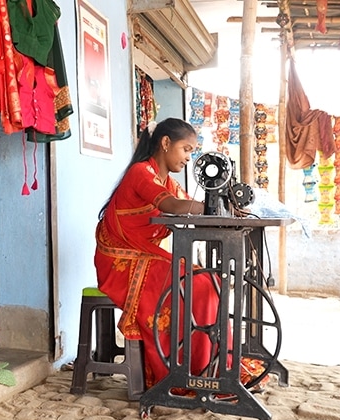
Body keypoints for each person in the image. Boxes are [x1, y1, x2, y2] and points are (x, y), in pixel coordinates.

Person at [94, 118, 264, 390]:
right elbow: (174, 205)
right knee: (200, 285)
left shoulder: (167, 181)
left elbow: (184, 202)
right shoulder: (141, 172)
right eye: (186, 149)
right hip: (121, 263)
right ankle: (188, 370)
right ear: (165, 143)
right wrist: (213, 206)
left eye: (192, 151)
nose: (189, 157)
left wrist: (220, 205)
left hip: (142, 256)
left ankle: (215, 367)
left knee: (209, 282)